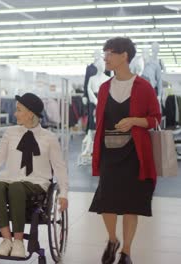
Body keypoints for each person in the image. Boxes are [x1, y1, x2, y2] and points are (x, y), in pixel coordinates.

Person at [89, 37, 161, 264]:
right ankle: (113, 239)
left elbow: (155, 119)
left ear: (124, 56)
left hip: (135, 154)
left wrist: (134, 121)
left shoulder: (144, 86)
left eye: (110, 53)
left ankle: (126, 251)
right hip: (109, 152)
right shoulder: (103, 88)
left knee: (132, 204)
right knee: (106, 201)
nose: (105, 57)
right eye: (105, 53)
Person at [0, 93, 69, 258]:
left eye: (19, 110)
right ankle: (7, 240)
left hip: (37, 183)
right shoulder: (10, 133)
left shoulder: (49, 138)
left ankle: (18, 242)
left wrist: (64, 193)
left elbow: (60, 167)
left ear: (30, 113)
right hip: (10, 178)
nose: (14, 113)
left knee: (16, 187)